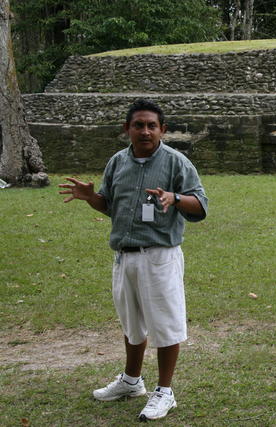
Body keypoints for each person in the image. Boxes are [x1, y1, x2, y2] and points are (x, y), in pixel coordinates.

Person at [59, 99, 208, 421]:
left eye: (152, 125)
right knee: (132, 325)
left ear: (163, 130)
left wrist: (175, 198)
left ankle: (165, 392)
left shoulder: (175, 163)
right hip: (124, 257)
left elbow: (201, 205)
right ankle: (131, 381)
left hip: (159, 257)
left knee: (165, 327)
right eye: (138, 125)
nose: (145, 131)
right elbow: (111, 206)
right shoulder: (117, 163)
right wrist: (91, 198)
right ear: (126, 129)